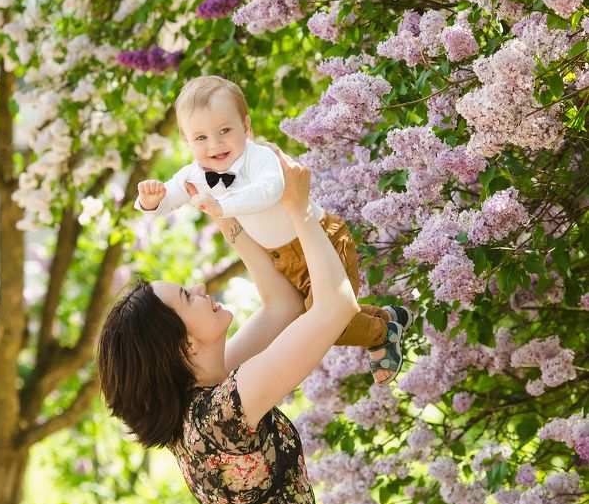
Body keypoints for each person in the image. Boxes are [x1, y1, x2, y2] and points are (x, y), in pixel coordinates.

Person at [97, 147, 366, 504]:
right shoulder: (221, 414)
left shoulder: (205, 403)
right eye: (187, 297)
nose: (202, 287)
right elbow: (335, 307)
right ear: (182, 346)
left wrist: (229, 221)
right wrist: (298, 208)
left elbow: (285, 305)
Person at [134, 74, 414, 385]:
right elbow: (172, 195)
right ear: (186, 142)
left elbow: (270, 191)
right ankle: (390, 318)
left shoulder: (260, 157)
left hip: (322, 239)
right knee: (315, 315)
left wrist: (223, 207)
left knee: (324, 319)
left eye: (225, 130)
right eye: (200, 138)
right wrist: (152, 201)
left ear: (246, 126)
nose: (214, 145)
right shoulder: (196, 174)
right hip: (284, 258)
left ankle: (382, 334)